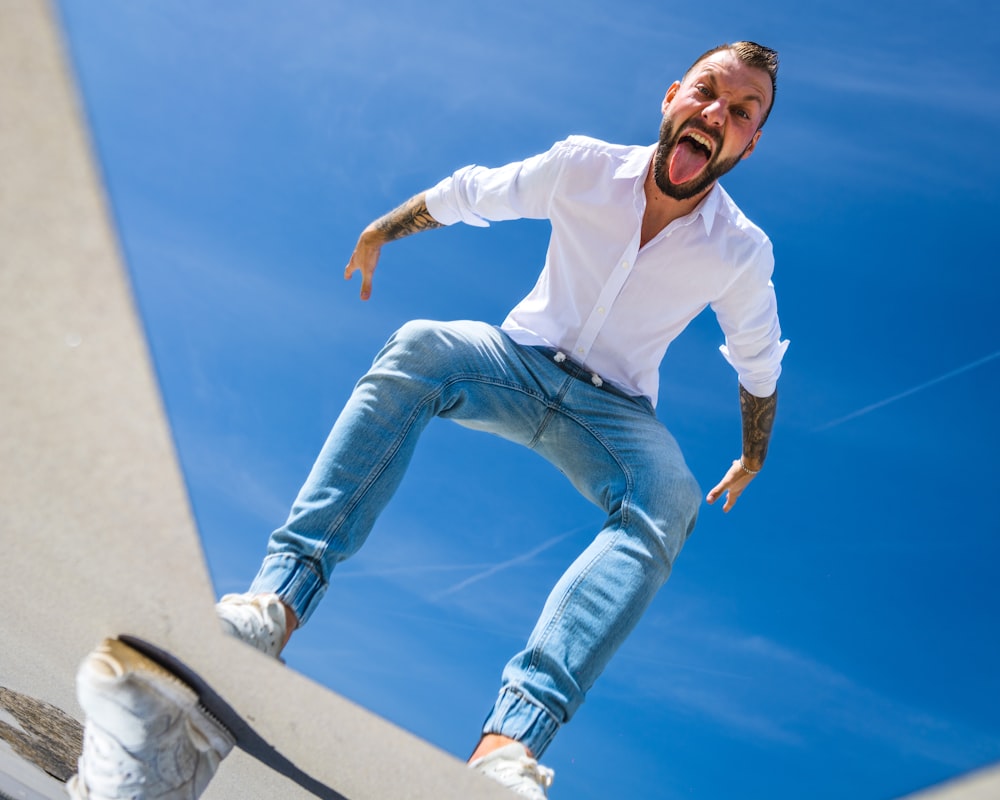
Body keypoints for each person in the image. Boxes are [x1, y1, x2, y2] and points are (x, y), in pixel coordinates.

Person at [69, 41, 786, 800]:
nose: (717, 114)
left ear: (751, 141)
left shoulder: (740, 251)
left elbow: (758, 358)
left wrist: (753, 456)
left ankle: (510, 748)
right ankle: (273, 606)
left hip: (613, 415)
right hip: (513, 363)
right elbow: (477, 192)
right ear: (673, 96)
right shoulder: (584, 166)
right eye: (707, 92)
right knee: (421, 347)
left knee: (669, 495)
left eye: (742, 113)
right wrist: (385, 227)